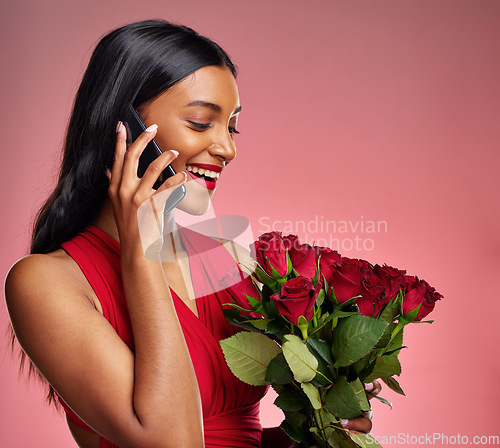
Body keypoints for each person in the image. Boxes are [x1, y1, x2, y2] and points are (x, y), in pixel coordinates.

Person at [5, 20, 377, 448]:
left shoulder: (221, 258)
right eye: (201, 123)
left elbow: (240, 436)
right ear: (121, 125)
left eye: (231, 127)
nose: (228, 149)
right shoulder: (44, 283)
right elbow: (171, 441)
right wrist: (142, 254)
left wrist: (323, 429)